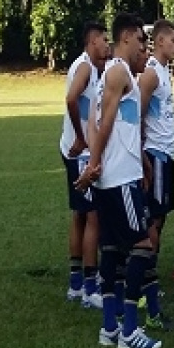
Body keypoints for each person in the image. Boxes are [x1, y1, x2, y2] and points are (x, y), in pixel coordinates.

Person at [76, 12, 161, 348]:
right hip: (120, 178)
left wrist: (139, 160)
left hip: (113, 176)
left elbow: (96, 123)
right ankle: (129, 329)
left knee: (111, 250)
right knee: (142, 246)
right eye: (140, 39)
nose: (143, 47)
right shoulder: (118, 72)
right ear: (125, 37)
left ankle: (109, 328)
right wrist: (93, 164)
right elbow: (105, 123)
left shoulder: (107, 74)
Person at [60, 21, 108, 309]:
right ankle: (90, 287)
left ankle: (76, 283)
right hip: (78, 153)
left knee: (80, 215)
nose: (107, 44)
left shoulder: (89, 66)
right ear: (92, 41)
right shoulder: (86, 67)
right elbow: (71, 98)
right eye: (104, 39)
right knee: (93, 217)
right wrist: (81, 137)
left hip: (71, 150)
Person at [138, 20, 174, 330]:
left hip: (166, 153)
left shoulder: (165, 72)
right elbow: (137, 113)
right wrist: (143, 156)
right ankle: (144, 281)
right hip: (154, 152)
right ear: (160, 41)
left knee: (160, 217)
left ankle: (147, 277)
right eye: (173, 40)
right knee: (153, 218)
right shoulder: (151, 73)